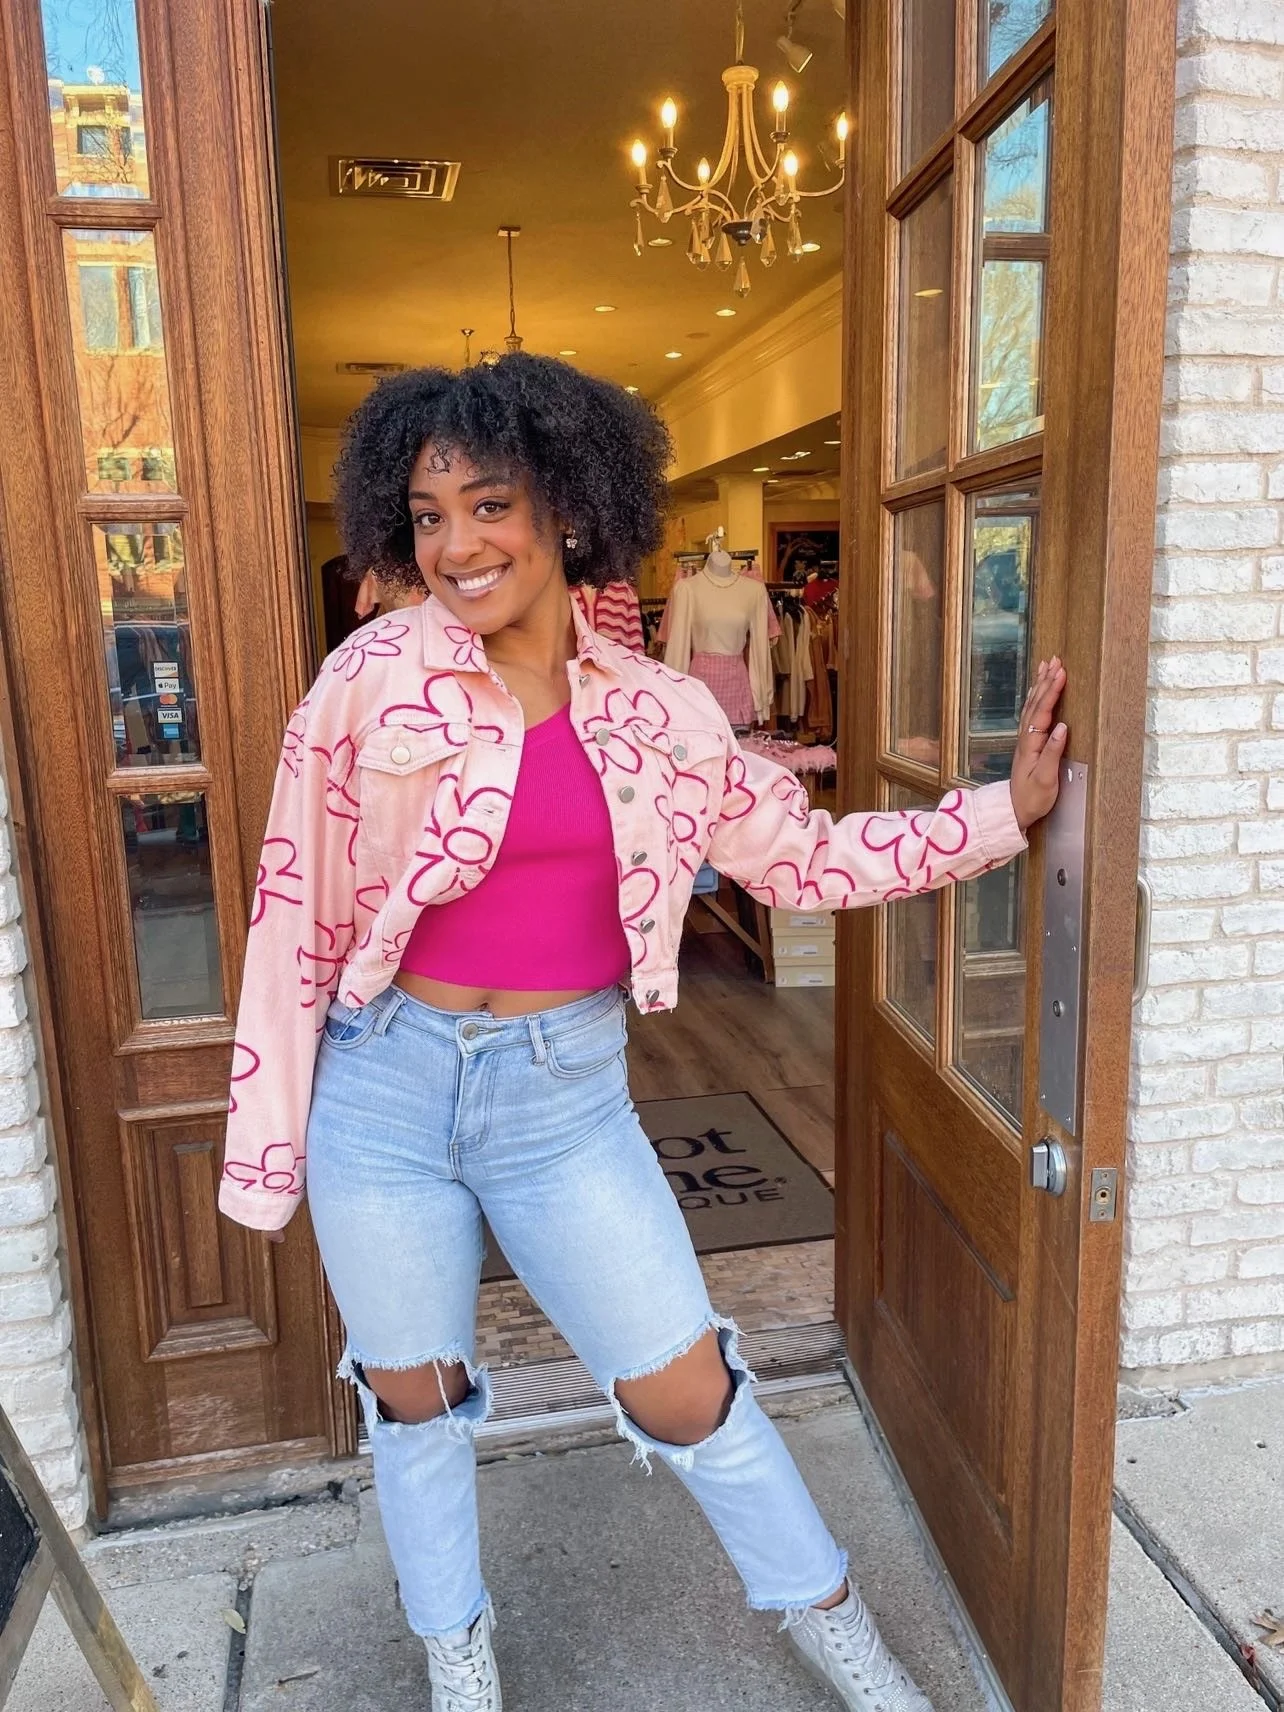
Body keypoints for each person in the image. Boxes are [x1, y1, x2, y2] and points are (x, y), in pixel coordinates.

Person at [219, 355, 1067, 1712]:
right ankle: (459, 1662)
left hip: (562, 1102)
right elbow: (292, 911)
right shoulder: (368, 681)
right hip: (384, 1089)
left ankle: (837, 1628)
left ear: (567, 508)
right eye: (428, 515)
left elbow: (801, 859)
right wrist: (268, 1149)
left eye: (489, 504)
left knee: (688, 1388)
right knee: (412, 1396)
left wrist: (997, 817)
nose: (456, 544)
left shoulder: (660, 714)